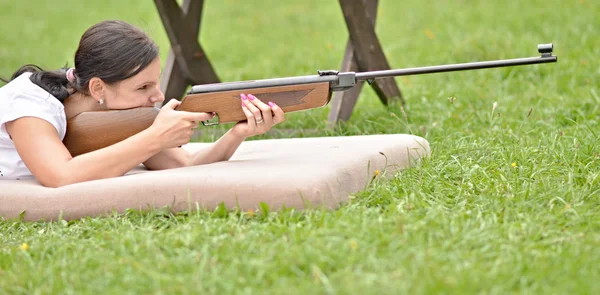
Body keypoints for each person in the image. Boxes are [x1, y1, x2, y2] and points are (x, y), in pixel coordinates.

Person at [0, 20, 285, 187]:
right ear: (98, 86)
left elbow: (185, 163)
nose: (158, 96)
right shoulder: (30, 103)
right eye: (143, 87)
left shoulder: (119, 114)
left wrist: (238, 133)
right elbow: (59, 176)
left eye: (156, 82)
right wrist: (154, 137)